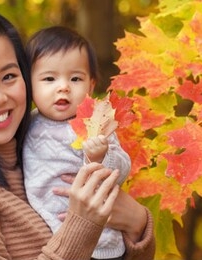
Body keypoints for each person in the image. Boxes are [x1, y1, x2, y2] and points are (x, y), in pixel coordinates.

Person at [0, 7, 155, 260]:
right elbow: (77, 236)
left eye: (9, 76)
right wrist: (82, 225)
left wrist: (136, 223)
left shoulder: (39, 159)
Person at [23, 26, 131, 260]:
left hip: (99, 241)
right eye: (49, 78)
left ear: (91, 85)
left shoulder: (95, 124)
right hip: (48, 237)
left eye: (75, 78)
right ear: (29, 84)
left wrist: (99, 157)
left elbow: (123, 168)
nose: (63, 86)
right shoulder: (25, 125)